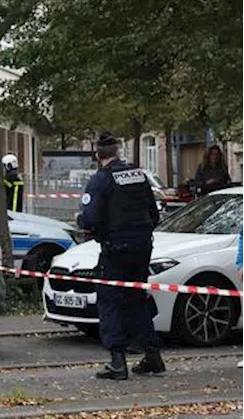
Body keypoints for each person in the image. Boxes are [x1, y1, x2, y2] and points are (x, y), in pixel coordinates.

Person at [77, 132, 163, 380]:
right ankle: (153, 356)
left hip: (116, 249)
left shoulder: (100, 180)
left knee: (109, 301)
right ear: (117, 152)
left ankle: (117, 361)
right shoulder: (139, 175)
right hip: (142, 247)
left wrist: (84, 222)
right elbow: (154, 214)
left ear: (97, 154)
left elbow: (90, 219)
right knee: (137, 298)